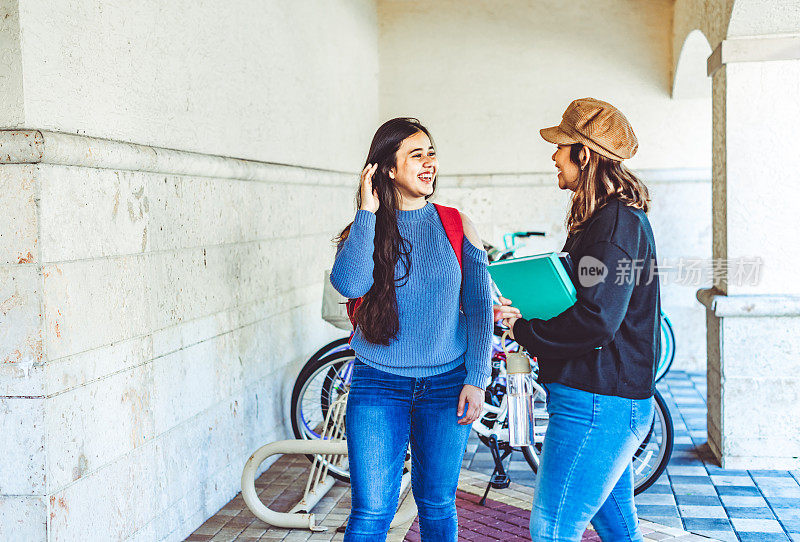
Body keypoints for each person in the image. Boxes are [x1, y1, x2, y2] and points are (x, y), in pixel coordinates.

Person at [494, 98, 661, 542]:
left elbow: (596, 319)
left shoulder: (615, 224)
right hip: (599, 401)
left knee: (551, 530)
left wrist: (523, 329)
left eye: (561, 146)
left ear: (584, 155)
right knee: (619, 530)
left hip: (599, 405)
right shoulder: (605, 221)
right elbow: (591, 301)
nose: (554, 156)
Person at [330, 117, 493, 542]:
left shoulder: (457, 225)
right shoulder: (365, 229)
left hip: (447, 385)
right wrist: (367, 211)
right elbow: (349, 284)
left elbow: (479, 310)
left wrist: (477, 379)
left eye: (431, 154)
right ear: (387, 168)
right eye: (415, 155)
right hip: (377, 385)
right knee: (371, 512)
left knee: (437, 506)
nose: (428, 164)